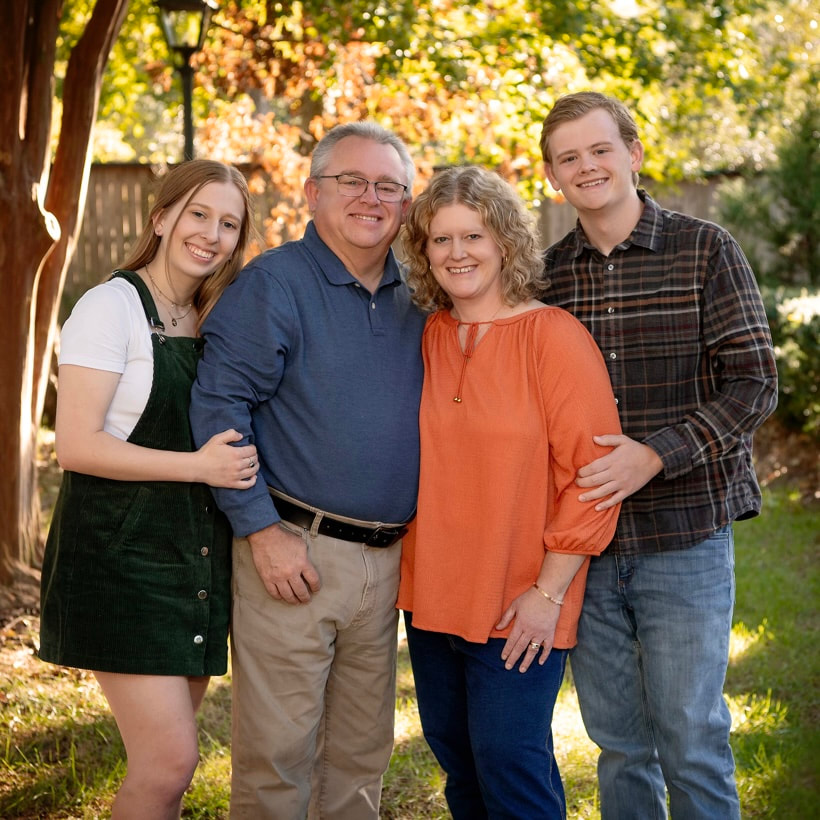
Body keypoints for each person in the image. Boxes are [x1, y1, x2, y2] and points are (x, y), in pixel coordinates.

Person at [539, 91, 779, 819]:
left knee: (691, 736)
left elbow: (753, 383)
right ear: (552, 176)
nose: (587, 166)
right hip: (589, 544)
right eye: (568, 157)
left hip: (685, 534)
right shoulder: (547, 277)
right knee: (618, 744)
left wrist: (656, 455)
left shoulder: (705, 249)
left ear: (634, 154)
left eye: (600, 149)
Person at [188, 121, 425, 819]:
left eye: (388, 186)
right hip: (294, 550)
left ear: (407, 204)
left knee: (359, 757)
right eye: (352, 181)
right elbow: (220, 408)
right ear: (313, 192)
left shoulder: (421, 294)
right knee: (277, 757)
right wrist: (261, 530)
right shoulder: (274, 284)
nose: (371, 198)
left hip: (388, 558)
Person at [397, 164, 622, 818]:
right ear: (424, 251)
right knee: (459, 764)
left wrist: (547, 595)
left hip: (521, 600)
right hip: (432, 597)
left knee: (510, 767)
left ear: (505, 242)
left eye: (473, 236)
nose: (458, 253)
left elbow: (593, 478)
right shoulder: (429, 336)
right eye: (441, 239)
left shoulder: (553, 337)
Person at [39, 160, 259, 819]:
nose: (211, 234)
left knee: (170, 770)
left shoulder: (210, 317)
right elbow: (76, 445)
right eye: (198, 214)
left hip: (192, 561)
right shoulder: (109, 307)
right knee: (169, 762)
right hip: (121, 558)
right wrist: (199, 468)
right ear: (161, 218)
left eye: (228, 224)